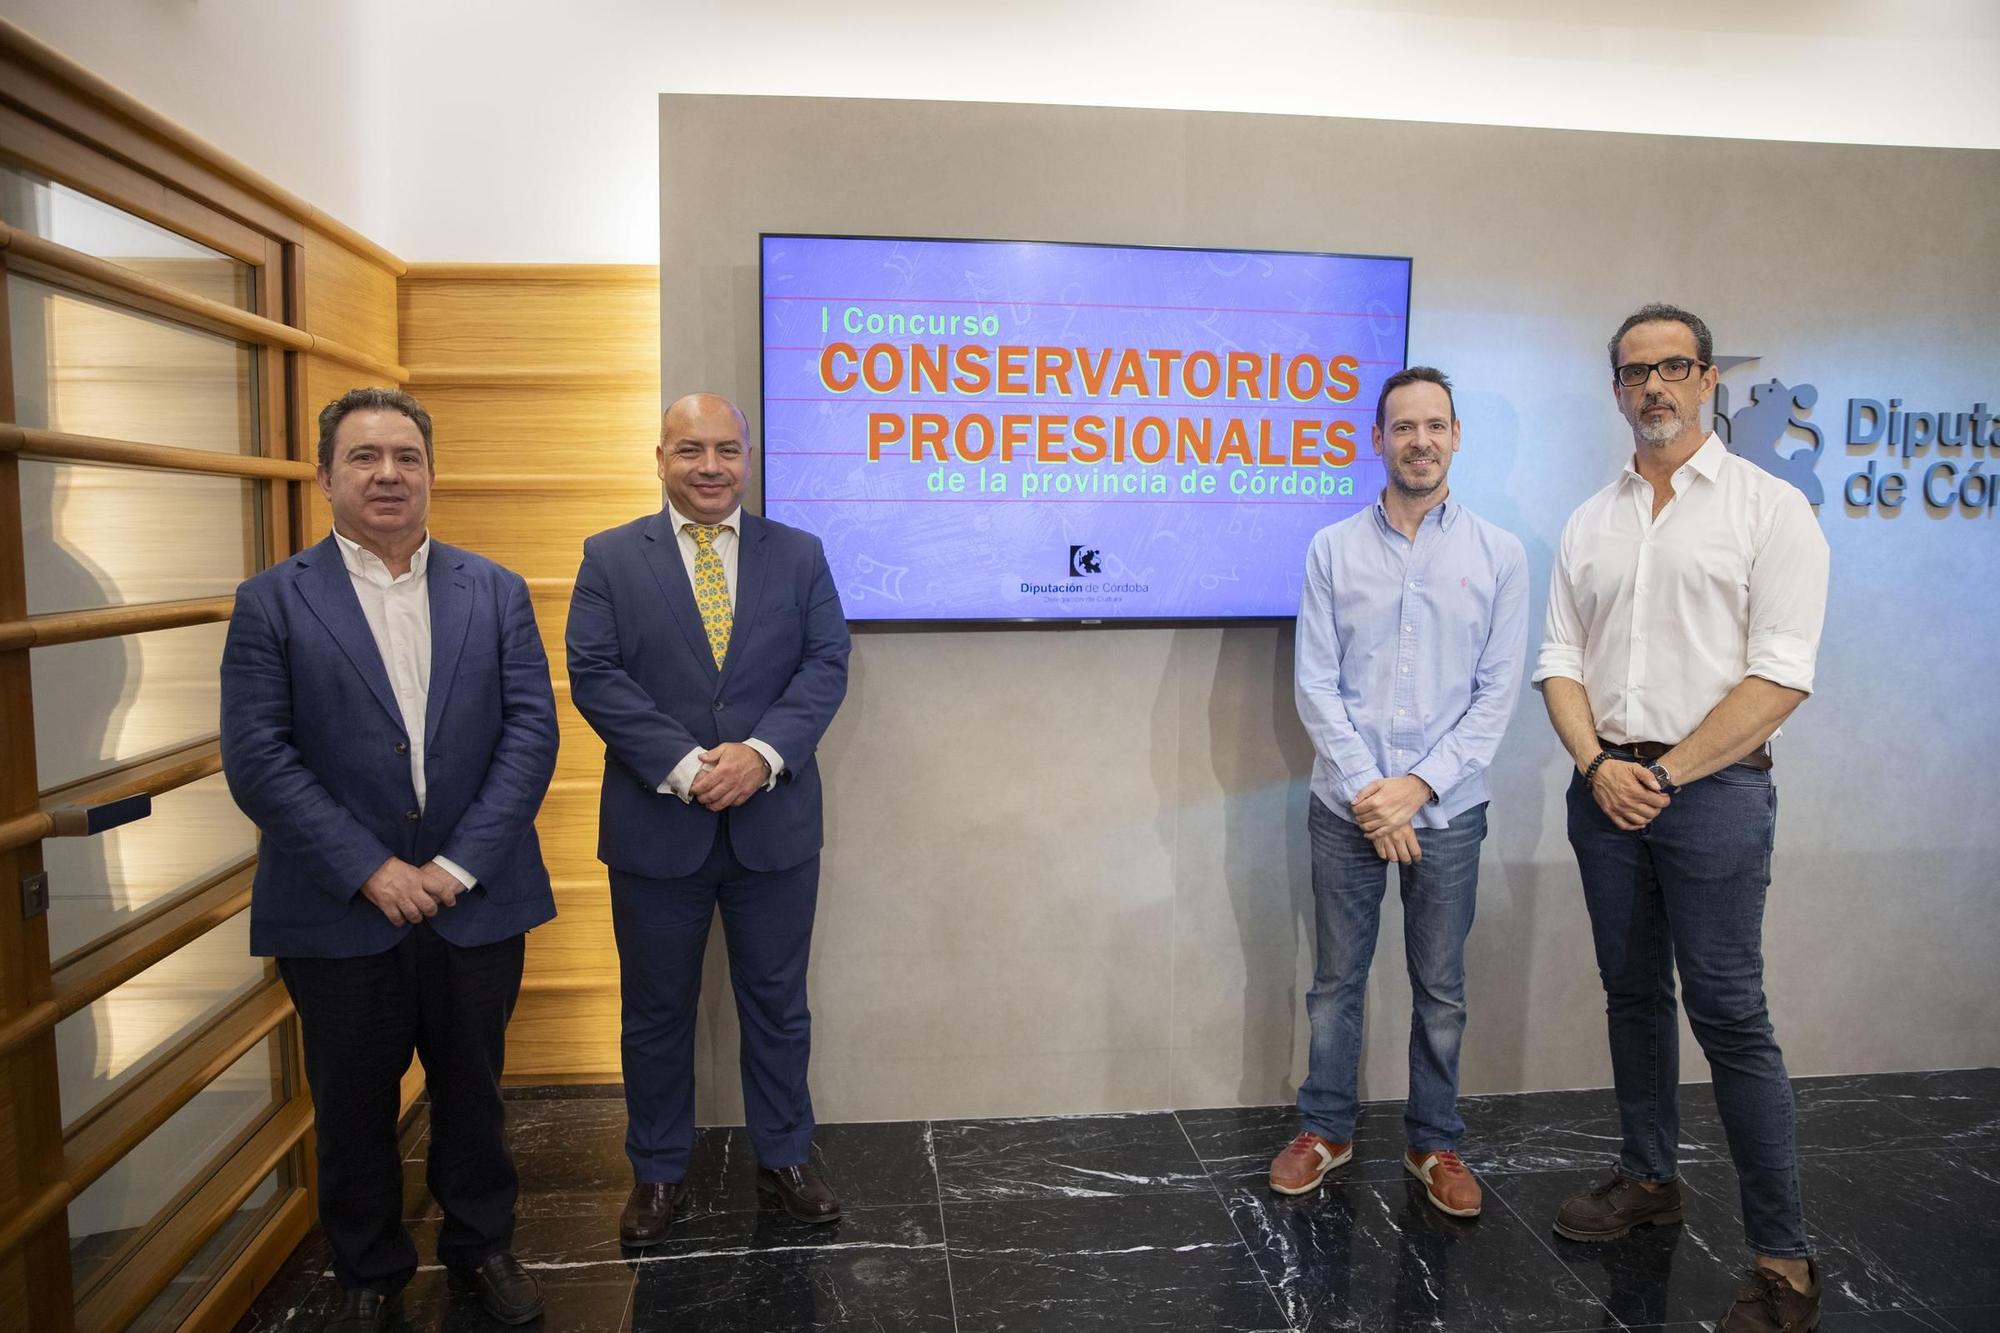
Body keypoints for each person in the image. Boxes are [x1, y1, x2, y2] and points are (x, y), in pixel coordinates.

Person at [221, 387, 558, 1331]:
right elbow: (258, 757)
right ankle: (368, 1271)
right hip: (339, 909)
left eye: (406, 457)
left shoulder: (492, 587)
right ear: (326, 475)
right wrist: (371, 868)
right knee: (353, 1103)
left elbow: (530, 734)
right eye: (365, 457)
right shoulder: (272, 601)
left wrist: (455, 867)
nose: (388, 474)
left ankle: (482, 1249)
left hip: (474, 901)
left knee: (474, 1092)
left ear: (431, 475)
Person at [1534, 303, 1829, 1333]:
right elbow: (1559, 659)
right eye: (1631, 372)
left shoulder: (1768, 509)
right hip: (1602, 787)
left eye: (1670, 368)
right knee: (1629, 995)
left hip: (1713, 794)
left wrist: (1661, 776)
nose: (1650, 387)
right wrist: (1593, 763)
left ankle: (1781, 1260)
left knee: (1729, 1016)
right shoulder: (1591, 518)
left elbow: (1780, 675)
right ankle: (1648, 1176)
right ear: (1613, 388)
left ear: (1707, 378)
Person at [566, 391, 851, 1243]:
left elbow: (827, 663)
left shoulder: (798, 555)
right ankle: (657, 1171)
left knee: (777, 1003)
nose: (710, 467)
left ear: (748, 458)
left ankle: (787, 1156)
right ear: (659, 458)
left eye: (726, 450)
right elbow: (595, 673)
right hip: (659, 827)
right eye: (690, 449)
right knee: (656, 1010)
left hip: (775, 826)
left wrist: (760, 754)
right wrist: (689, 766)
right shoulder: (610, 557)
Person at [1270, 366, 1528, 1219]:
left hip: (1449, 810)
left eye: (1434, 425)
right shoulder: (1330, 549)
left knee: (1442, 987)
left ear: (1455, 437)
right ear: (1375, 439)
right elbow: (1315, 683)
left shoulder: (1499, 554)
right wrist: (1369, 792)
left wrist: (1414, 788)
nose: (1419, 440)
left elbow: (1498, 694)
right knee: (1337, 980)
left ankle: (1435, 1140)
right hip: (1344, 806)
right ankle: (1327, 1130)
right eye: (1402, 426)